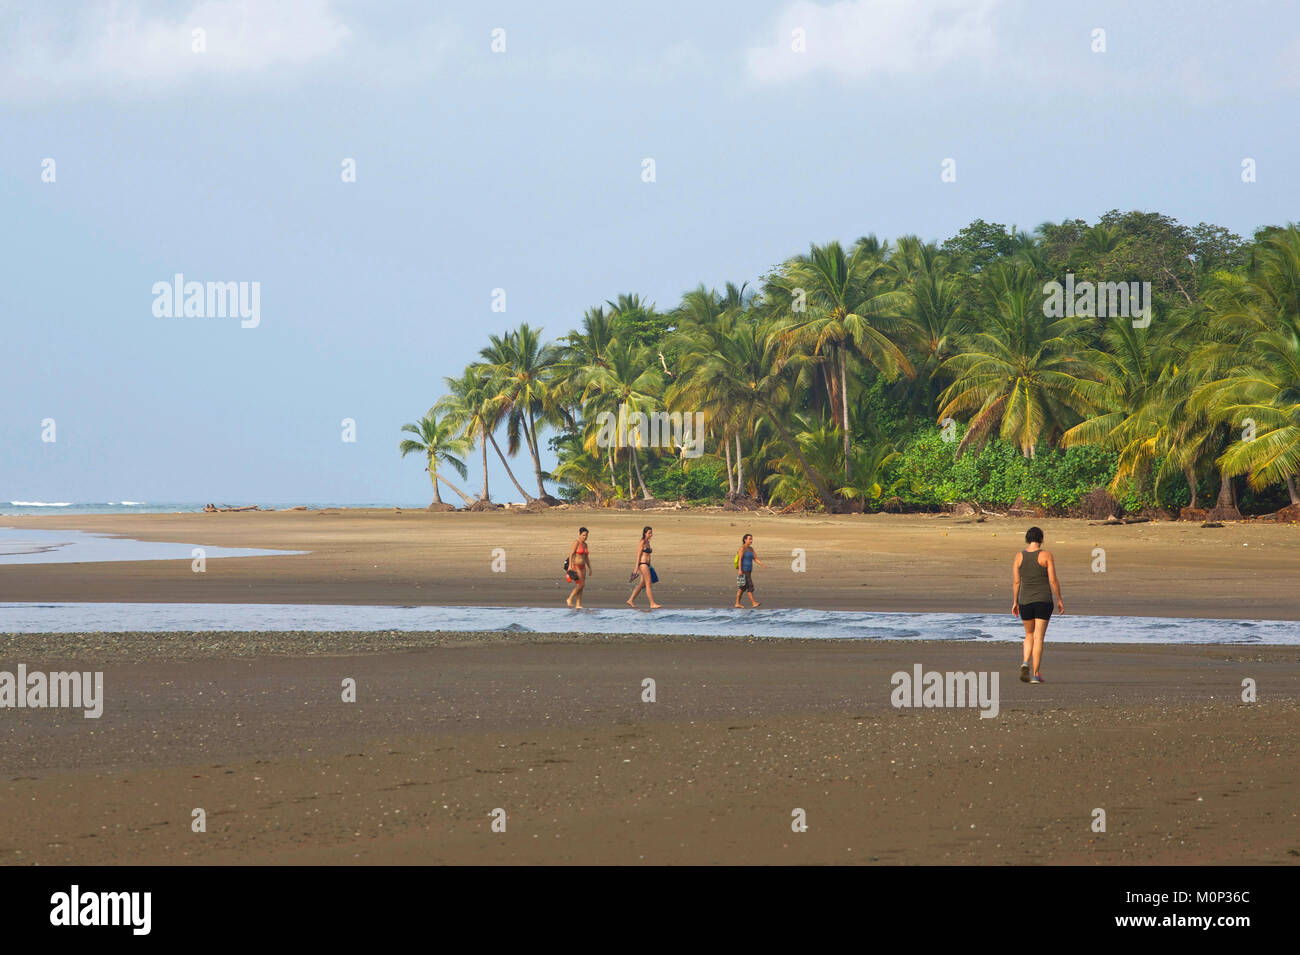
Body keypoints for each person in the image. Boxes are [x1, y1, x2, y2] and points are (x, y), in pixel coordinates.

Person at [1012, 526, 1064, 684]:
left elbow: (1016, 581)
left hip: (1025, 601)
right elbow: (1053, 580)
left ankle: (1025, 661)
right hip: (1043, 601)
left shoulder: (1019, 556)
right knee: (1039, 638)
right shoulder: (1046, 555)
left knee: (1029, 635)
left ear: (1027, 539)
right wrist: (1060, 599)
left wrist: (1015, 602)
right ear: (1041, 539)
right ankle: (1035, 674)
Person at [626, 525, 661, 609]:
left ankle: (630, 600)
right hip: (643, 564)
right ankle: (652, 603)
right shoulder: (642, 542)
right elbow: (638, 555)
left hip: (647, 565)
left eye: (651, 533)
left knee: (642, 584)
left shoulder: (648, 542)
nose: (651, 534)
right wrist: (636, 568)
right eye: (649, 533)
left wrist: (650, 566)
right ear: (645, 533)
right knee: (648, 584)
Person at [733, 533, 764, 608]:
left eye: (751, 539)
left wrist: (762, 564)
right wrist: (740, 570)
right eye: (749, 539)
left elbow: (755, 559)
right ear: (745, 540)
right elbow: (740, 560)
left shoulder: (751, 549)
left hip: (749, 571)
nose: (751, 540)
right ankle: (753, 603)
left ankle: (737, 603)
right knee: (750, 586)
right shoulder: (742, 548)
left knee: (742, 588)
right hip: (744, 570)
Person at [565, 527, 592, 609]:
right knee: (581, 584)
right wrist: (570, 566)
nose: (585, 537)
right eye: (583, 535)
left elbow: (586, 557)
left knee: (582, 586)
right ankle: (569, 598)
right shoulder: (576, 543)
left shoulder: (585, 545)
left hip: (583, 567)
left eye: (586, 535)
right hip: (576, 566)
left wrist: (590, 568)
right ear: (579, 535)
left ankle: (578, 604)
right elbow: (571, 554)